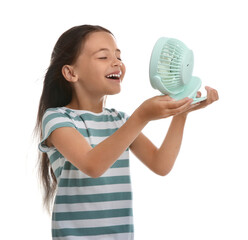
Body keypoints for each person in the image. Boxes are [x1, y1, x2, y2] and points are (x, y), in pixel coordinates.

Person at [36, 24, 219, 240]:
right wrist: (141, 116)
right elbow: (92, 165)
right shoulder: (57, 118)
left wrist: (182, 112)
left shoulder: (119, 120)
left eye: (118, 56)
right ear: (71, 72)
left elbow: (161, 164)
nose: (116, 63)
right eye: (103, 57)